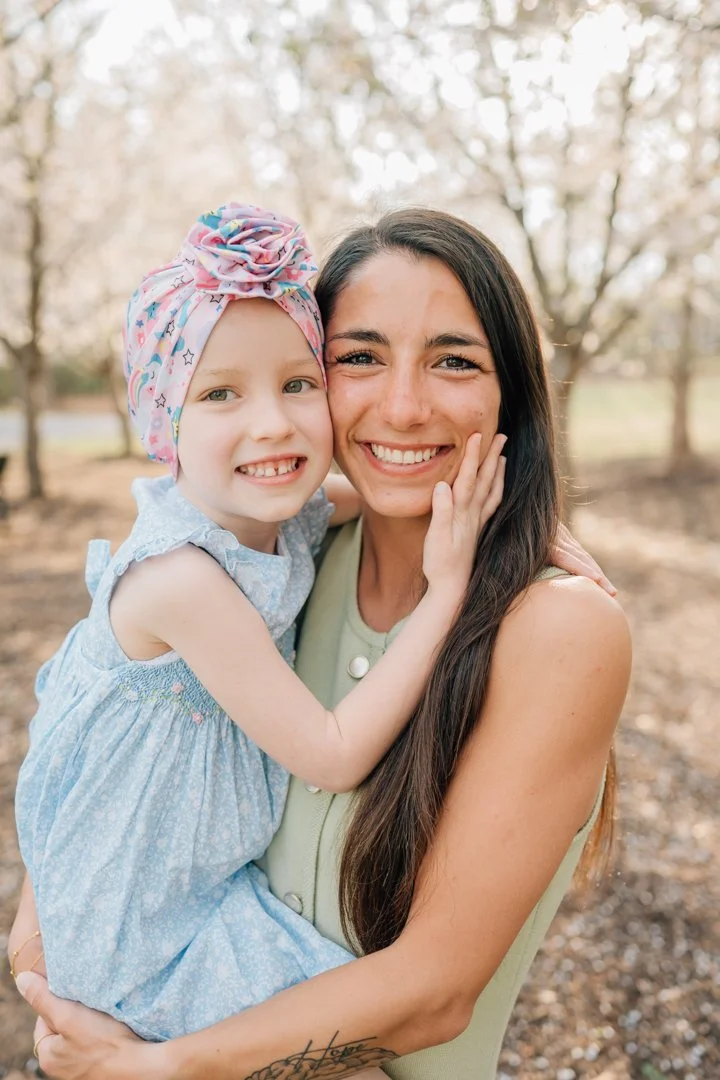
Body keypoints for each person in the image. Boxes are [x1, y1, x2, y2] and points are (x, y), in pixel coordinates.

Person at [11, 207, 630, 1080]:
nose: (404, 405)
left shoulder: (558, 628)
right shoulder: (288, 560)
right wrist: (45, 960)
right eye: (359, 358)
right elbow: (91, 734)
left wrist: (160, 1067)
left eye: (454, 360)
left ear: (513, 395)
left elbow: (433, 990)